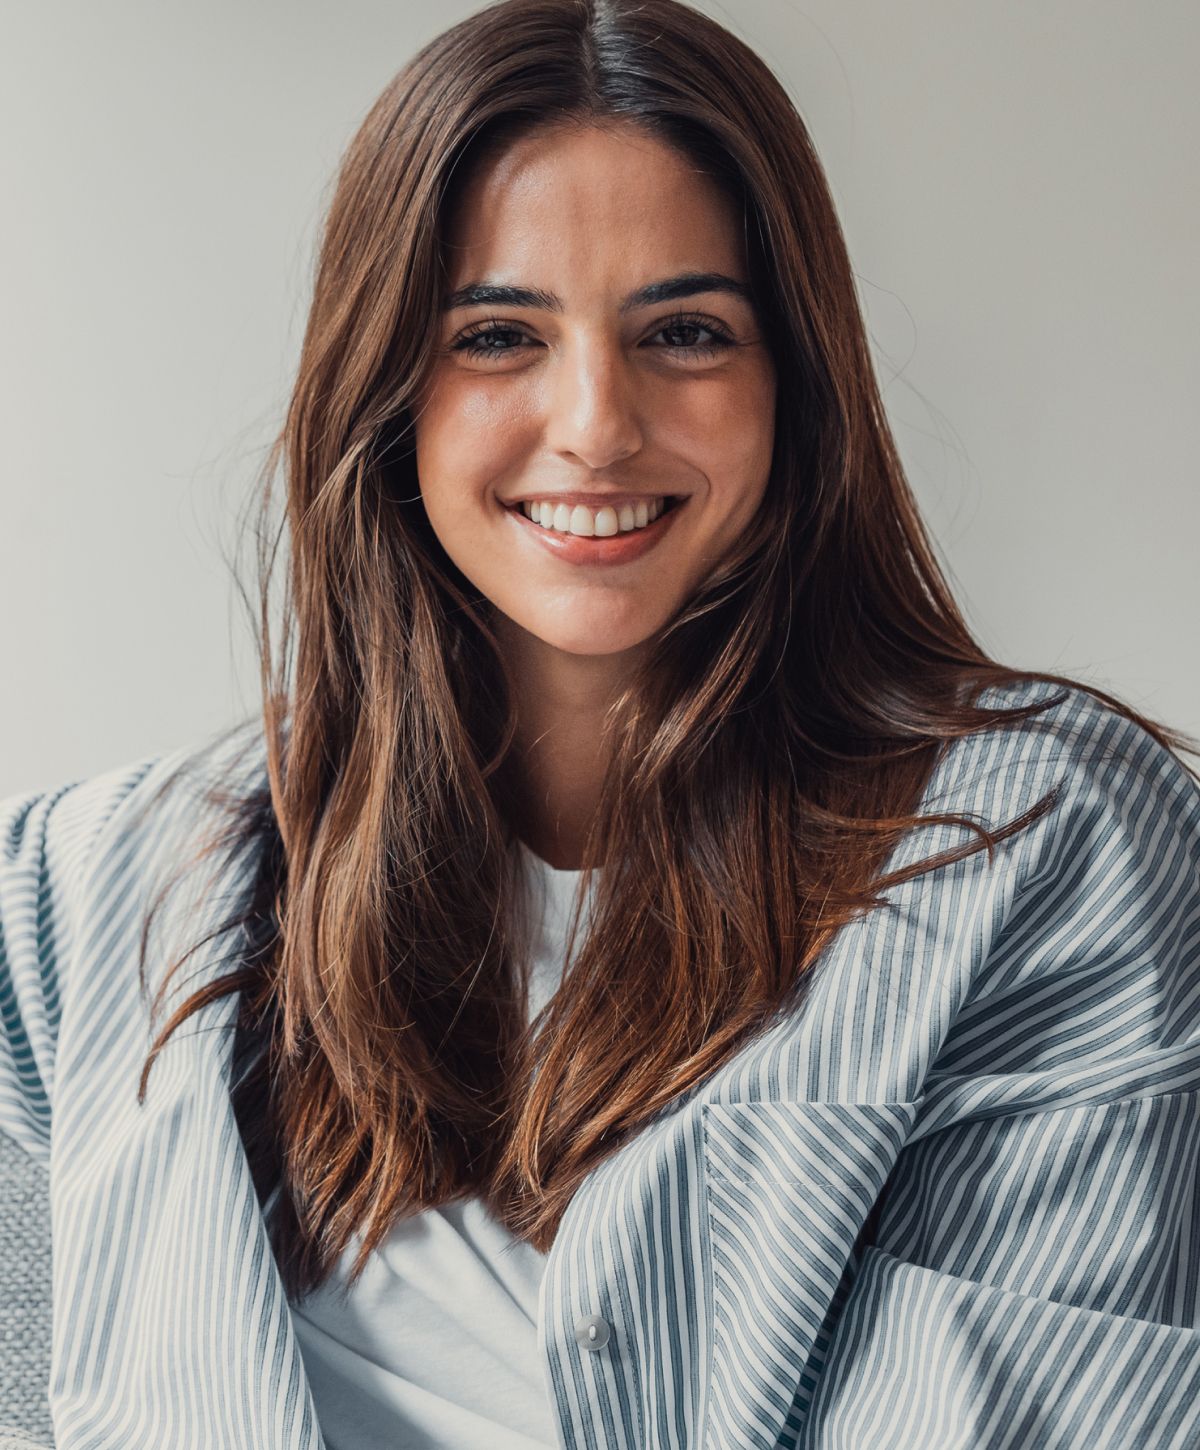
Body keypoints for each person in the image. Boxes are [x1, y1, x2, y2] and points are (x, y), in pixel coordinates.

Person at [2, 0, 1199, 1446]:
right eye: (498, 334)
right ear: (387, 392)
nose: (594, 423)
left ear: (794, 386)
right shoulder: (90, 888)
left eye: (685, 331)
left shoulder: (1039, 844)